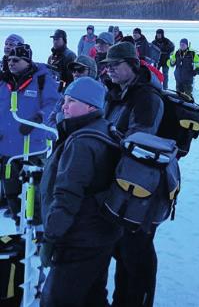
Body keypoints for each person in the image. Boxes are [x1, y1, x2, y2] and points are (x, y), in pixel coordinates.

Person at [39, 77, 122, 307]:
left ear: (91, 107)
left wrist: (50, 238)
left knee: (57, 300)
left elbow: (67, 197)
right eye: (64, 100)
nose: (64, 106)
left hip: (78, 239)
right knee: (93, 296)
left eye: (71, 101)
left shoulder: (81, 143)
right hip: (100, 234)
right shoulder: (104, 129)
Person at [100, 42, 164, 307]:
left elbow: (142, 141)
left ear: (133, 65)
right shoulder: (117, 93)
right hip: (122, 185)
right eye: (107, 66)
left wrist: (110, 137)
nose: (110, 70)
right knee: (122, 249)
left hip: (142, 190)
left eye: (116, 65)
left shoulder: (146, 97)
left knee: (137, 252)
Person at [0, 44, 59, 221]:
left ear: (27, 61)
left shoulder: (42, 80)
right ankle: (19, 228)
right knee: (12, 194)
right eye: (9, 59)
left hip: (32, 149)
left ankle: (35, 234)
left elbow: (54, 104)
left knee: (35, 197)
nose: (11, 63)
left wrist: (38, 119)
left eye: (16, 60)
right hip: (7, 150)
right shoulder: (4, 82)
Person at [47, 55, 99, 127]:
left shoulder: (100, 95)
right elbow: (51, 119)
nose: (76, 74)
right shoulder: (68, 92)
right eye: (73, 70)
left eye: (80, 70)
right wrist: (60, 130)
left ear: (92, 72)